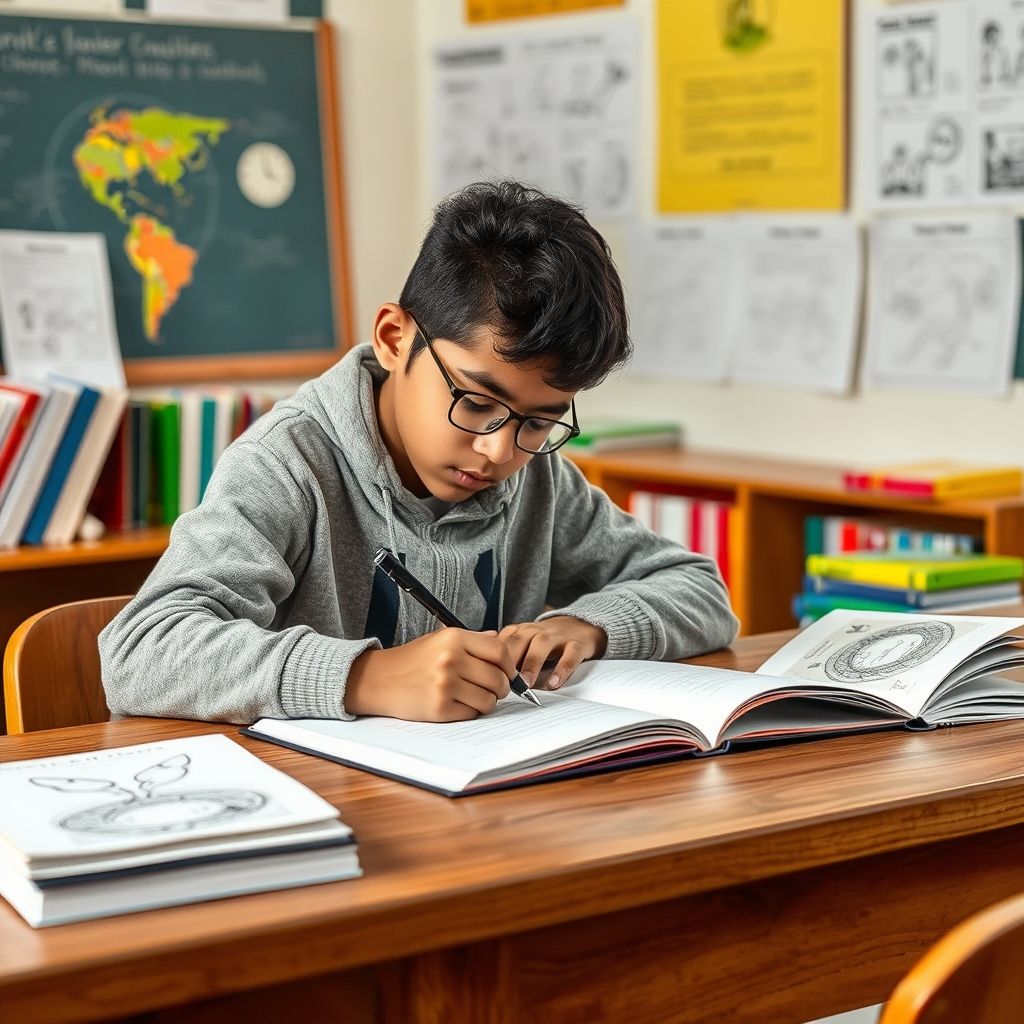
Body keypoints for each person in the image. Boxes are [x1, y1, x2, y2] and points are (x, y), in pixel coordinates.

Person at [99, 181, 739, 725]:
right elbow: (141, 651)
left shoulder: (538, 480)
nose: (497, 450)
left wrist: (590, 626)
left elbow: (701, 590)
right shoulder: (288, 465)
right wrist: (365, 678)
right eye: (477, 402)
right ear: (393, 339)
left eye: (539, 422)